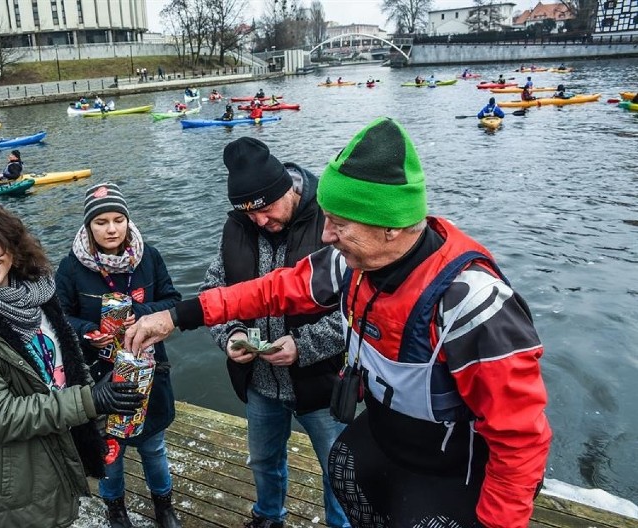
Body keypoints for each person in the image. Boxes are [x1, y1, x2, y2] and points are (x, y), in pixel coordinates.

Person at [124, 117, 553, 528]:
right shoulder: (348, 263)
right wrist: (177, 316)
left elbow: (520, 439)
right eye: (326, 219)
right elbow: (271, 289)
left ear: (391, 227)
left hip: (452, 471)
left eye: (339, 224)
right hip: (390, 439)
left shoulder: (473, 303)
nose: (326, 235)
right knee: (343, 469)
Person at [0, 199, 144, 528]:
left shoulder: (38, 294)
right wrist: (89, 401)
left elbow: (63, 367)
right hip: (10, 476)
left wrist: (102, 391)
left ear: (11, 241)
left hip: (54, 447)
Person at [200, 137, 349, 528]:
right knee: (263, 459)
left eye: (266, 209)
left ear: (288, 188)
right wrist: (230, 335)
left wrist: (303, 347)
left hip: (321, 381)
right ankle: (269, 515)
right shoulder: (237, 227)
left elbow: (360, 309)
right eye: (250, 215)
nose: (261, 222)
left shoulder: (330, 223)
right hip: (260, 381)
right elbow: (213, 290)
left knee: (339, 467)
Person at [55, 183, 183, 528]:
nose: (111, 229)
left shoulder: (149, 257)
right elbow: (57, 316)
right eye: (100, 222)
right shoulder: (70, 268)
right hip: (100, 377)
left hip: (149, 372)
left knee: (153, 447)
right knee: (109, 451)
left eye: (118, 219)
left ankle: (164, 505)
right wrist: (86, 332)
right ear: (88, 227)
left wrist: (142, 313)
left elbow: (174, 301)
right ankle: (116, 510)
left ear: (127, 221)